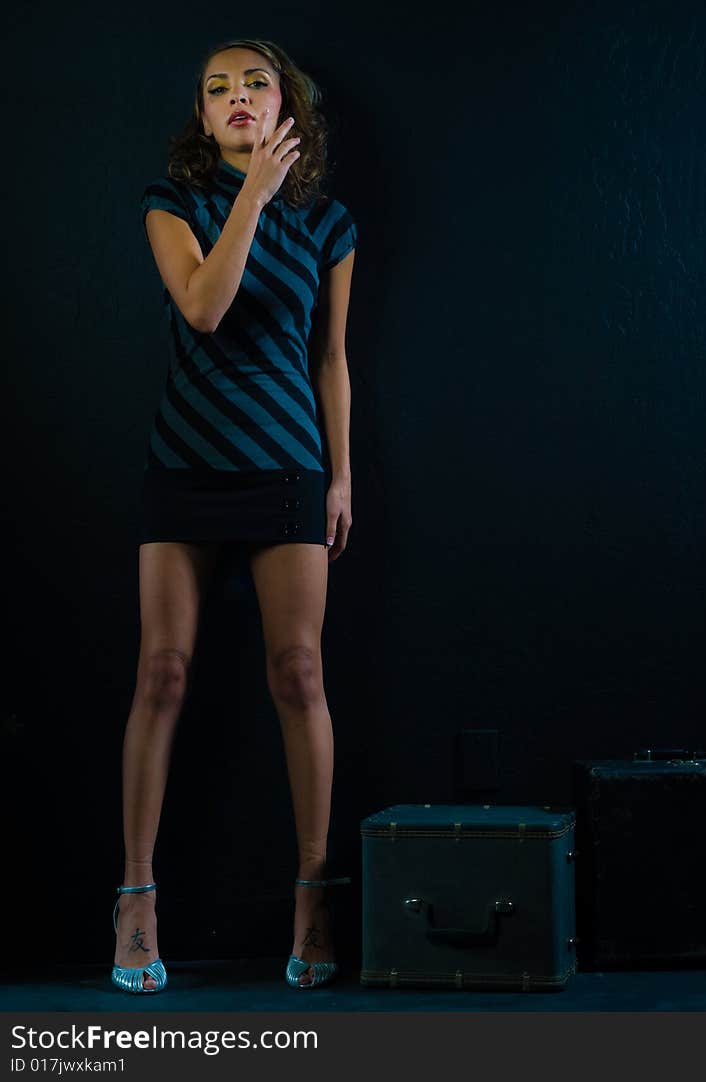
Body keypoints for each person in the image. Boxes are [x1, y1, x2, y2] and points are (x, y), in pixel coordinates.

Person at [112, 37, 357, 993]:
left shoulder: (331, 224)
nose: (237, 97)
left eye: (254, 83)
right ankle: (136, 899)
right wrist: (249, 195)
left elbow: (332, 360)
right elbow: (206, 309)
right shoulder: (172, 203)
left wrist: (342, 478)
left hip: (290, 465)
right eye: (218, 90)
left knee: (299, 673)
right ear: (205, 121)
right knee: (162, 673)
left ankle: (314, 896)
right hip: (185, 464)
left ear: (286, 104)